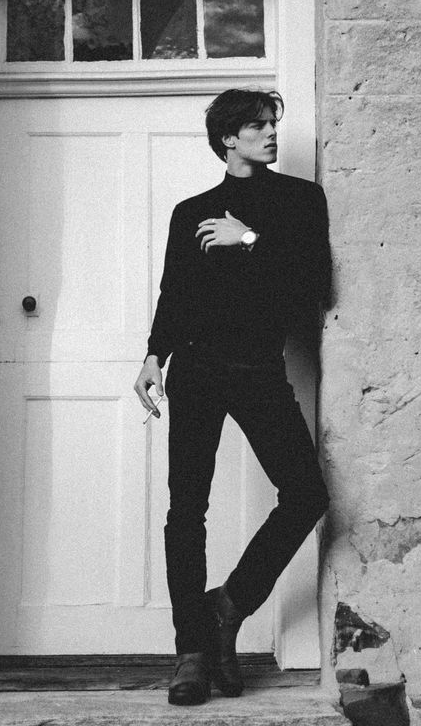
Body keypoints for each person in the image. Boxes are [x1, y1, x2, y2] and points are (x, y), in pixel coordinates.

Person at [133, 89, 331, 706]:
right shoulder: (192, 209)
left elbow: (313, 291)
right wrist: (152, 356)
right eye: (257, 125)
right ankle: (190, 653)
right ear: (228, 138)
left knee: (305, 496)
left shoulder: (300, 201)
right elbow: (176, 291)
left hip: (259, 371)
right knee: (185, 511)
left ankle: (228, 606)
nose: (271, 133)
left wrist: (250, 241)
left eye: (273, 123)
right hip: (195, 370)